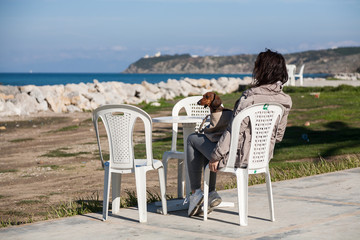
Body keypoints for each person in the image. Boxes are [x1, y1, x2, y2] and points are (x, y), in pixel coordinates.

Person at [186, 49, 293, 217]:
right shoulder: (285, 101)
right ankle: (210, 194)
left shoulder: (248, 98)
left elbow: (232, 132)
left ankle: (196, 193)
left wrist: (216, 156)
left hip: (237, 158)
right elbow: (278, 136)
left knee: (193, 139)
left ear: (261, 70)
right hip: (261, 157)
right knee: (212, 143)